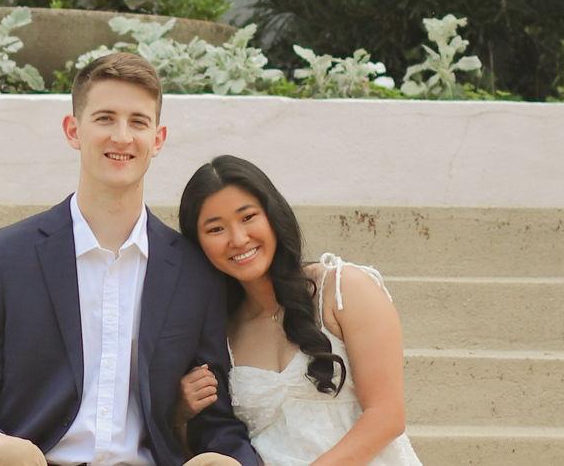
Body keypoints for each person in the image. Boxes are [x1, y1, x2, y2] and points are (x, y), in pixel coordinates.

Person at [0, 53, 260, 466]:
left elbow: (215, 420)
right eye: (105, 119)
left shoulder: (193, 272)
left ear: (158, 139)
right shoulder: (3, 258)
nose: (122, 137)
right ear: (74, 130)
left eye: (138, 122)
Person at [174, 155, 422, 465]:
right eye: (216, 229)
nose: (238, 239)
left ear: (272, 215)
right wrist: (181, 413)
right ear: (197, 244)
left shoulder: (342, 288)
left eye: (248, 217)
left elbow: (386, 416)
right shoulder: (220, 332)